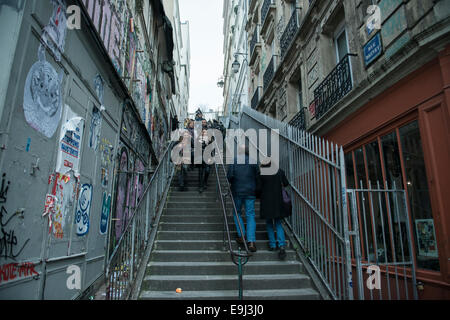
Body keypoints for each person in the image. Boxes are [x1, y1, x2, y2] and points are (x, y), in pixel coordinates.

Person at [227, 144, 259, 252]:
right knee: (250, 214)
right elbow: (257, 175)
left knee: (237, 213)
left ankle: (241, 235)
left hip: (237, 191)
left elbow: (229, 176)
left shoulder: (234, 160)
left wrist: (234, 183)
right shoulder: (253, 161)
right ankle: (251, 241)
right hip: (250, 191)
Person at [259, 159, 290, 260]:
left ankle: (272, 245)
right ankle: (281, 245)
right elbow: (286, 183)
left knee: (269, 223)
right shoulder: (279, 171)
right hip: (278, 202)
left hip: (267, 202)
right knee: (278, 223)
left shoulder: (261, 173)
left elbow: (258, 188)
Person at [197, 128, 212, 193]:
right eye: (203, 132)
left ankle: (205, 182)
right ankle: (200, 186)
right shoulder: (199, 140)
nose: (205, 133)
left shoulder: (210, 141)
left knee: (207, 171)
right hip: (200, 158)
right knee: (200, 172)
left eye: (206, 132)